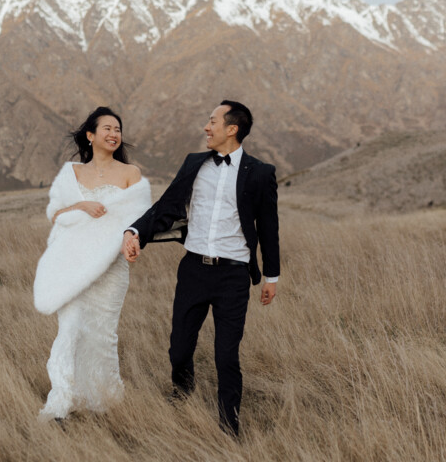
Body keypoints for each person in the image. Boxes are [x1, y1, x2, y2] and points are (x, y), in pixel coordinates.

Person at [122, 100, 280, 437]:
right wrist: (134, 232)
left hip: (234, 276)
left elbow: (269, 227)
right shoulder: (194, 163)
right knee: (179, 348)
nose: (206, 128)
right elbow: (166, 206)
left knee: (226, 355)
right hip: (193, 270)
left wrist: (272, 276)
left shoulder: (261, 172)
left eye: (212, 122)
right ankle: (183, 390)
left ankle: (229, 426)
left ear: (232, 129)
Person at [34, 107, 151, 422]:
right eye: (107, 129)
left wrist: (133, 242)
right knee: (70, 329)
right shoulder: (71, 172)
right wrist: (80, 205)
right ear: (90, 135)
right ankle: (63, 399)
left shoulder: (131, 174)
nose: (114, 134)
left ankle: (100, 399)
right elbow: (56, 215)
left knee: (102, 333)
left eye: (118, 129)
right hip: (73, 265)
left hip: (111, 268)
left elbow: (140, 221)